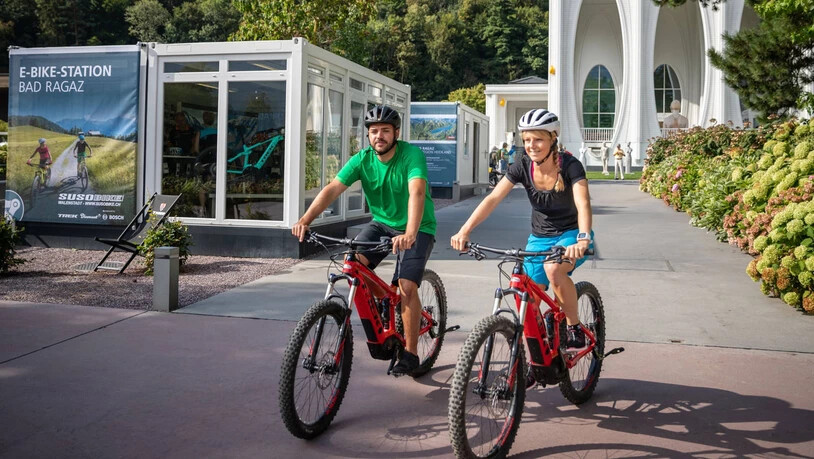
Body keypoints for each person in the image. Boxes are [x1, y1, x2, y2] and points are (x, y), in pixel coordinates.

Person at [292, 105, 436, 377]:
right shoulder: (362, 159)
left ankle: (411, 353)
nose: (378, 136)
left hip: (418, 226)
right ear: (367, 136)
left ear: (396, 133)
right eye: (373, 132)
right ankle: (385, 300)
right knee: (352, 264)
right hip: (382, 224)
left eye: (384, 131)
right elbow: (333, 188)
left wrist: (411, 233)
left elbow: (417, 193)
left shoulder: (411, 155)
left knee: (406, 286)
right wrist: (306, 219)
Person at [451, 108, 594, 357]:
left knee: (553, 270)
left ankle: (574, 328)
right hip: (539, 238)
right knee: (526, 298)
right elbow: (493, 199)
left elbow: (583, 203)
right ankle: (533, 360)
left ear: (553, 138)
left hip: (571, 235)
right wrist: (465, 230)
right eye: (526, 139)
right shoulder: (522, 166)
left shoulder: (570, 165)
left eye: (538, 139)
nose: (531, 145)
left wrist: (583, 237)